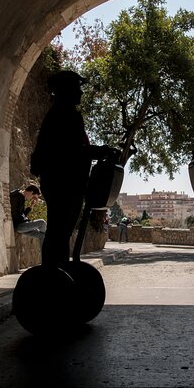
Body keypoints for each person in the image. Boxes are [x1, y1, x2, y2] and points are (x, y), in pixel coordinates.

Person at [30, 70, 117, 266]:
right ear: (67, 91)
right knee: (58, 232)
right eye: (77, 88)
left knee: (61, 232)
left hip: (66, 183)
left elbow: (75, 149)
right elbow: (72, 150)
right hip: (63, 183)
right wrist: (99, 151)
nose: (81, 93)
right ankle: (53, 274)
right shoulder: (64, 115)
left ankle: (57, 271)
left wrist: (98, 151)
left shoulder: (62, 114)